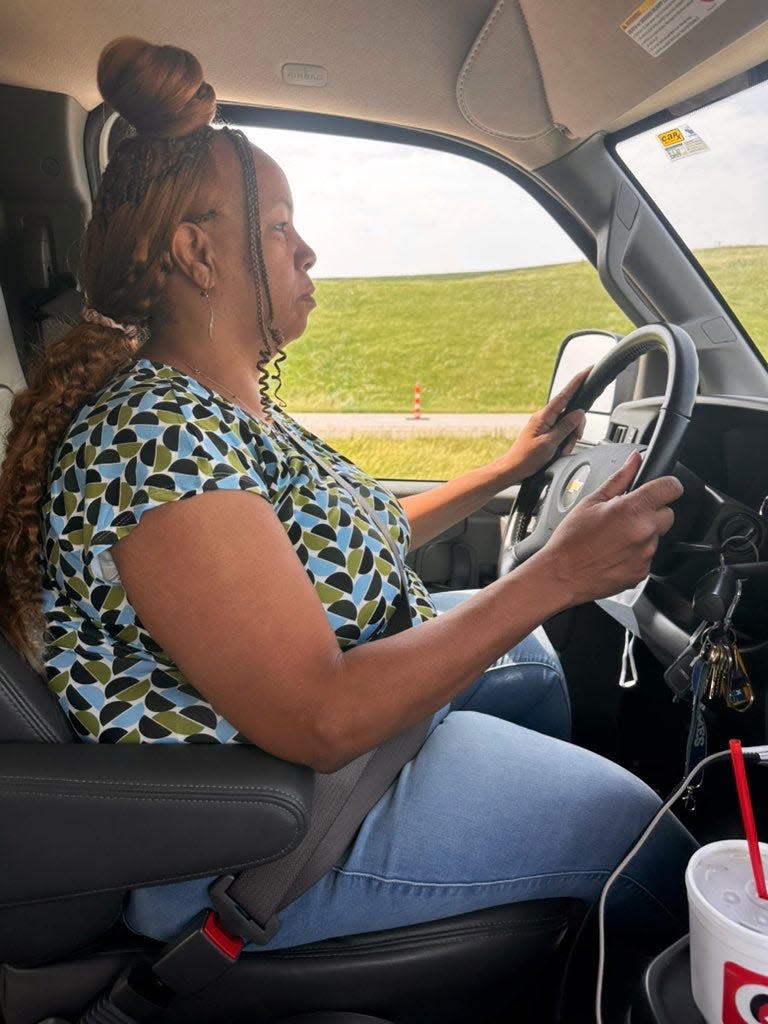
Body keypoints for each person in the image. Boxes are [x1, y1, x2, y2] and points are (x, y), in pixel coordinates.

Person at [0, 35, 695, 1005]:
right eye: (279, 225)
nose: (307, 249)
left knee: (533, 660)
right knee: (643, 842)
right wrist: (555, 575)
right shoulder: (151, 433)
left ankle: (532, 940)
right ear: (200, 252)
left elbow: (350, 535)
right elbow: (318, 715)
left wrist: (512, 468)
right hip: (268, 826)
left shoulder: (223, 409)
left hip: (334, 752)